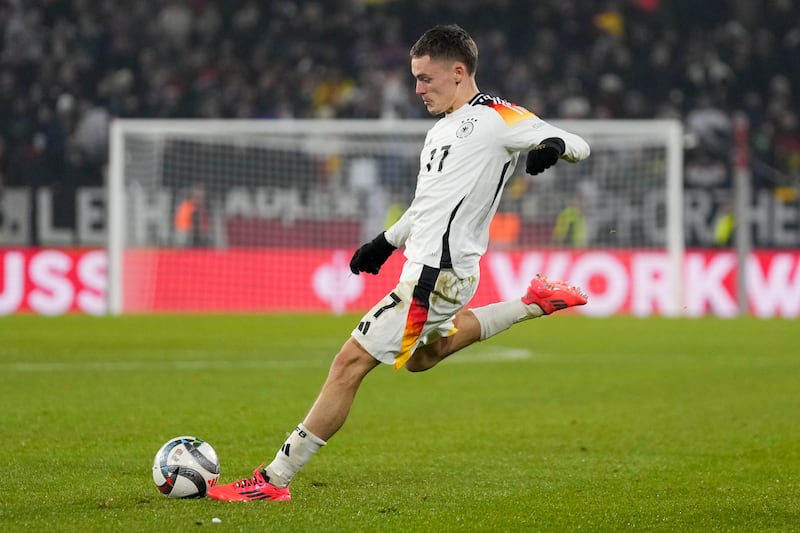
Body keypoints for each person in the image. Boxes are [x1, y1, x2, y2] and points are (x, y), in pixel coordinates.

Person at [208, 24, 591, 502]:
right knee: (422, 358)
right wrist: (384, 243)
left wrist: (551, 147)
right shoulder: (439, 131)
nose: (417, 89)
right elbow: (427, 205)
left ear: (457, 72)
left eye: (426, 79)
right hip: (432, 271)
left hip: (438, 276)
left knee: (349, 362)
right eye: (415, 78)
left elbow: (576, 141)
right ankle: (533, 303)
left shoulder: (497, 117)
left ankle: (273, 480)